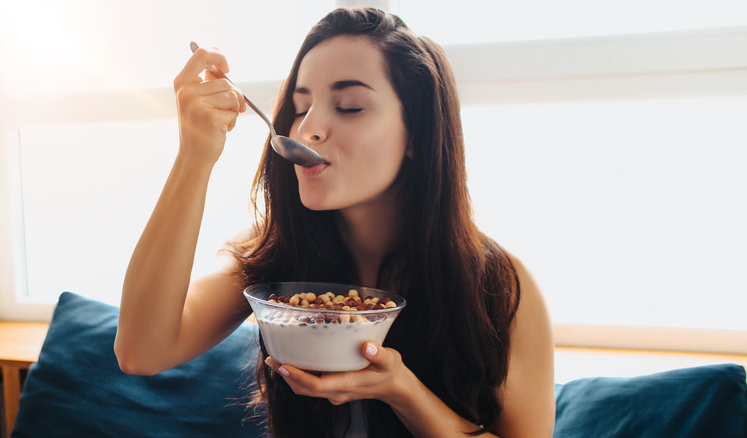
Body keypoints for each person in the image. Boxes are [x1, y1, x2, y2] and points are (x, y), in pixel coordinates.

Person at [114, 6, 554, 438]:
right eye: (301, 106)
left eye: (349, 107)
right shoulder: (277, 252)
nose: (308, 129)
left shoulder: (497, 285)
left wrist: (403, 392)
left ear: (417, 136)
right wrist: (194, 156)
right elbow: (141, 351)